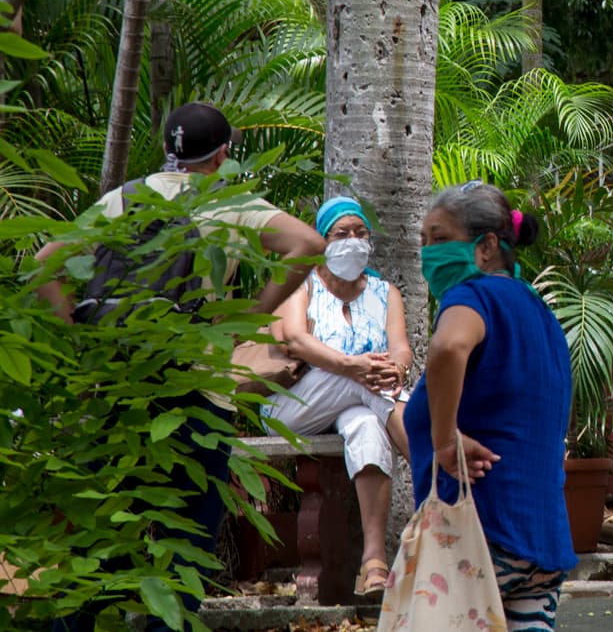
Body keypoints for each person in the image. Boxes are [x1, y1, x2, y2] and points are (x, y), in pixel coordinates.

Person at [35, 102, 326, 630]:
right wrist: (249, 316)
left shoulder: (122, 199)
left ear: (168, 150)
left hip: (116, 392)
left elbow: (42, 264)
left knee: (102, 542)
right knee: (186, 547)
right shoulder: (228, 200)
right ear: (222, 154)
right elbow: (309, 244)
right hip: (196, 394)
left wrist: (77, 334)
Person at [404, 181, 577, 630]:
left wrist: (443, 441)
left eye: (439, 239)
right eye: (423, 241)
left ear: (486, 248)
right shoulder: (540, 313)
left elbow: (446, 348)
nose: (427, 253)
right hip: (541, 541)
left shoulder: (472, 296)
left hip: (481, 534)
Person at [262, 195, 412, 595]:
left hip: (359, 403)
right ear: (323, 240)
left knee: (366, 427)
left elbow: (400, 347)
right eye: (341, 233)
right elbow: (294, 339)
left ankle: (374, 562)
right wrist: (355, 366)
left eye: (360, 232)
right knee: (357, 380)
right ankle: (432, 468)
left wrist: (395, 368)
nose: (353, 240)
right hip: (293, 407)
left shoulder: (385, 292)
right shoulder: (302, 283)